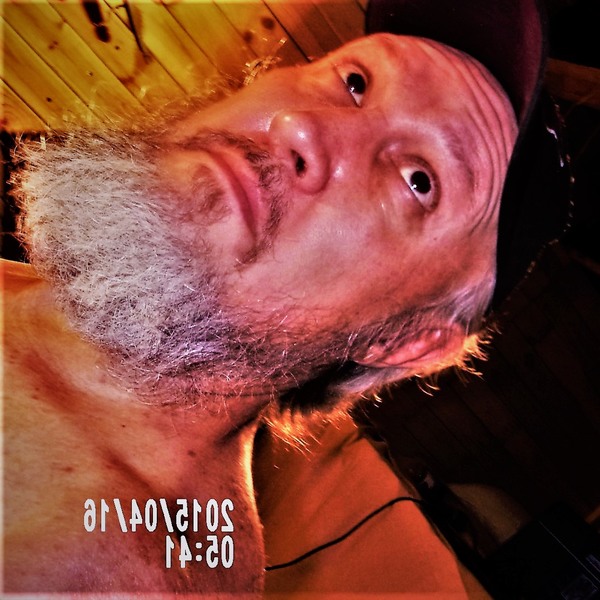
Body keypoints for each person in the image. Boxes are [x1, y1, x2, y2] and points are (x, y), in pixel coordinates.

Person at [3, 0, 571, 596]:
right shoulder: (40, 296)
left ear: (402, 340)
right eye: (355, 82)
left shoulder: (102, 572)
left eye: (419, 180)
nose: (300, 125)